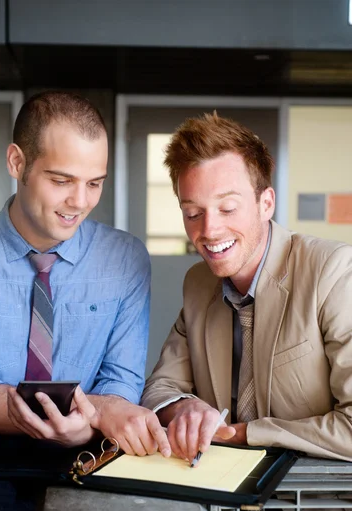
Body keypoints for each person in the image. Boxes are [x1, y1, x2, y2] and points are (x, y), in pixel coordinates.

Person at [0, 90, 169, 511]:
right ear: (17, 162)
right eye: (61, 180)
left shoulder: (125, 260)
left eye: (94, 183)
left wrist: (93, 415)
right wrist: (93, 413)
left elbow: (122, 382)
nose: (80, 201)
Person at [141, 110, 352, 466]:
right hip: (218, 503)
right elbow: (160, 388)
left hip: (312, 507)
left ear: (265, 203)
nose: (209, 230)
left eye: (227, 208)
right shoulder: (198, 283)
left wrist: (244, 434)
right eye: (193, 213)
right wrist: (185, 408)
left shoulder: (333, 272)